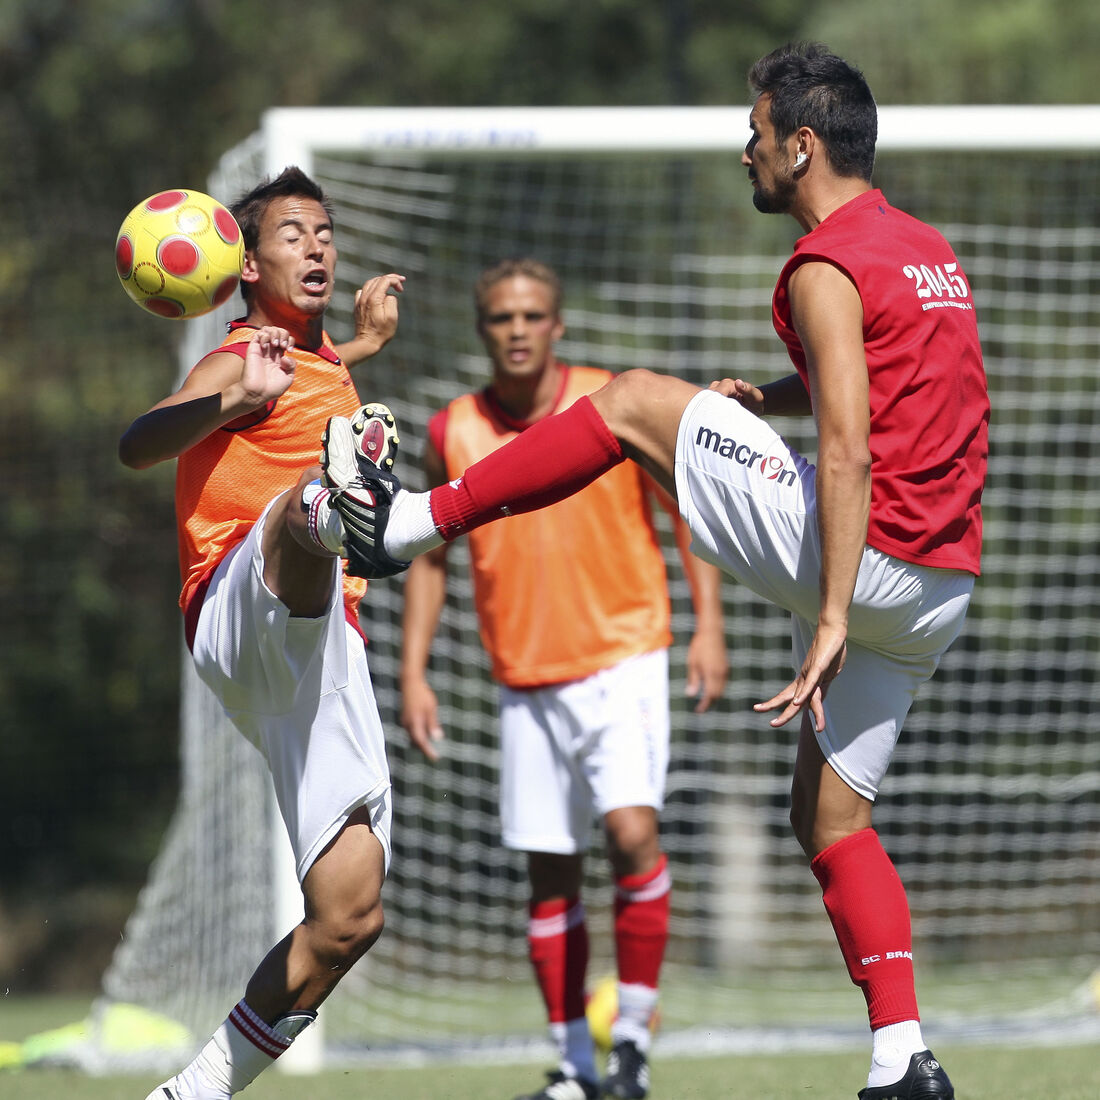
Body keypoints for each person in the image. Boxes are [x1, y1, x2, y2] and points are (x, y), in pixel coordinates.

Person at [336, 43, 989, 1100]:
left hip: (862, 561)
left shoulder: (824, 261)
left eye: (757, 134)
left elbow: (850, 449)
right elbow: (891, 388)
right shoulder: (925, 250)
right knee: (829, 822)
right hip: (938, 587)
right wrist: (768, 400)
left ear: (801, 144)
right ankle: (899, 1053)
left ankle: (410, 521)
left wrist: (827, 611)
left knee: (633, 394)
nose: (746, 151)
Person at [399, 258, 729, 1100]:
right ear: (483, 330)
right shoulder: (451, 429)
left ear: (558, 325)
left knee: (629, 835)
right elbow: (430, 556)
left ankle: (633, 1047)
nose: (517, 329)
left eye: (532, 315)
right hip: (524, 677)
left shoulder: (612, 404)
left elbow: (685, 516)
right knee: (551, 870)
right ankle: (574, 1068)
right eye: (501, 316)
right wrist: (414, 672)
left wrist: (709, 627)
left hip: (626, 655)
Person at [120, 166, 411, 1100]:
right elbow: (139, 441)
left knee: (348, 915)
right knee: (302, 505)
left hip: (323, 650)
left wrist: (359, 345)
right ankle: (345, 503)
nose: (317, 246)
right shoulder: (240, 358)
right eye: (292, 234)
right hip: (237, 607)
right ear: (244, 264)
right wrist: (231, 402)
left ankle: (195, 1089)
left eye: (324, 231)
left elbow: (314, 386)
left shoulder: (320, 366)